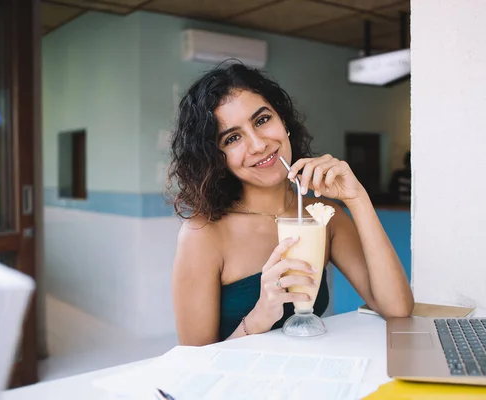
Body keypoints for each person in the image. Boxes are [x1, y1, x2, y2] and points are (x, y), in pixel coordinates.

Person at [167, 62, 414, 346]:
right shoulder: (203, 234)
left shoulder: (323, 215)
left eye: (262, 120)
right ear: (215, 157)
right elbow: (194, 366)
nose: (258, 145)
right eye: (233, 138)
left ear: (283, 121)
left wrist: (357, 198)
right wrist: (259, 318)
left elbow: (397, 308)